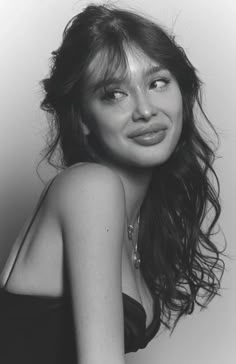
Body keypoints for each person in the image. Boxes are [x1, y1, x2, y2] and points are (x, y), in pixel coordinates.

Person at [0, 3, 225, 364]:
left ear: (181, 93)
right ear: (83, 118)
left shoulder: (137, 217)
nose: (145, 109)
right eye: (113, 94)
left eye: (157, 82)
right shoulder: (91, 188)